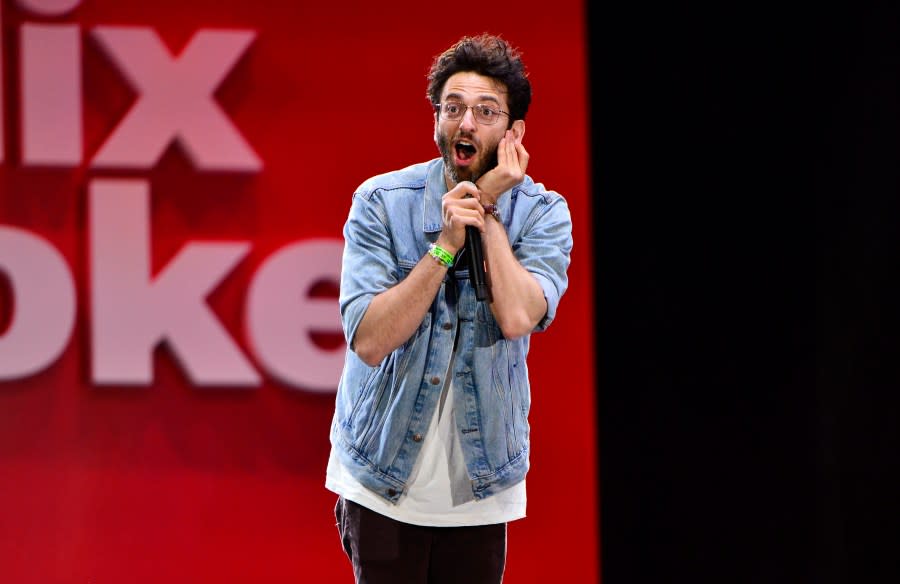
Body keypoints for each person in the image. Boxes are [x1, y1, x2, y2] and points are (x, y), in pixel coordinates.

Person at [326, 34, 572, 584]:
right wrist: (445, 243)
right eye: (453, 108)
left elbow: (516, 316)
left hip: (481, 488)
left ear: (513, 134)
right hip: (381, 480)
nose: (466, 123)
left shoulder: (543, 213)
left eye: (486, 112)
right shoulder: (380, 203)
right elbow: (368, 339)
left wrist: (487, 210)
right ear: (435, 120)